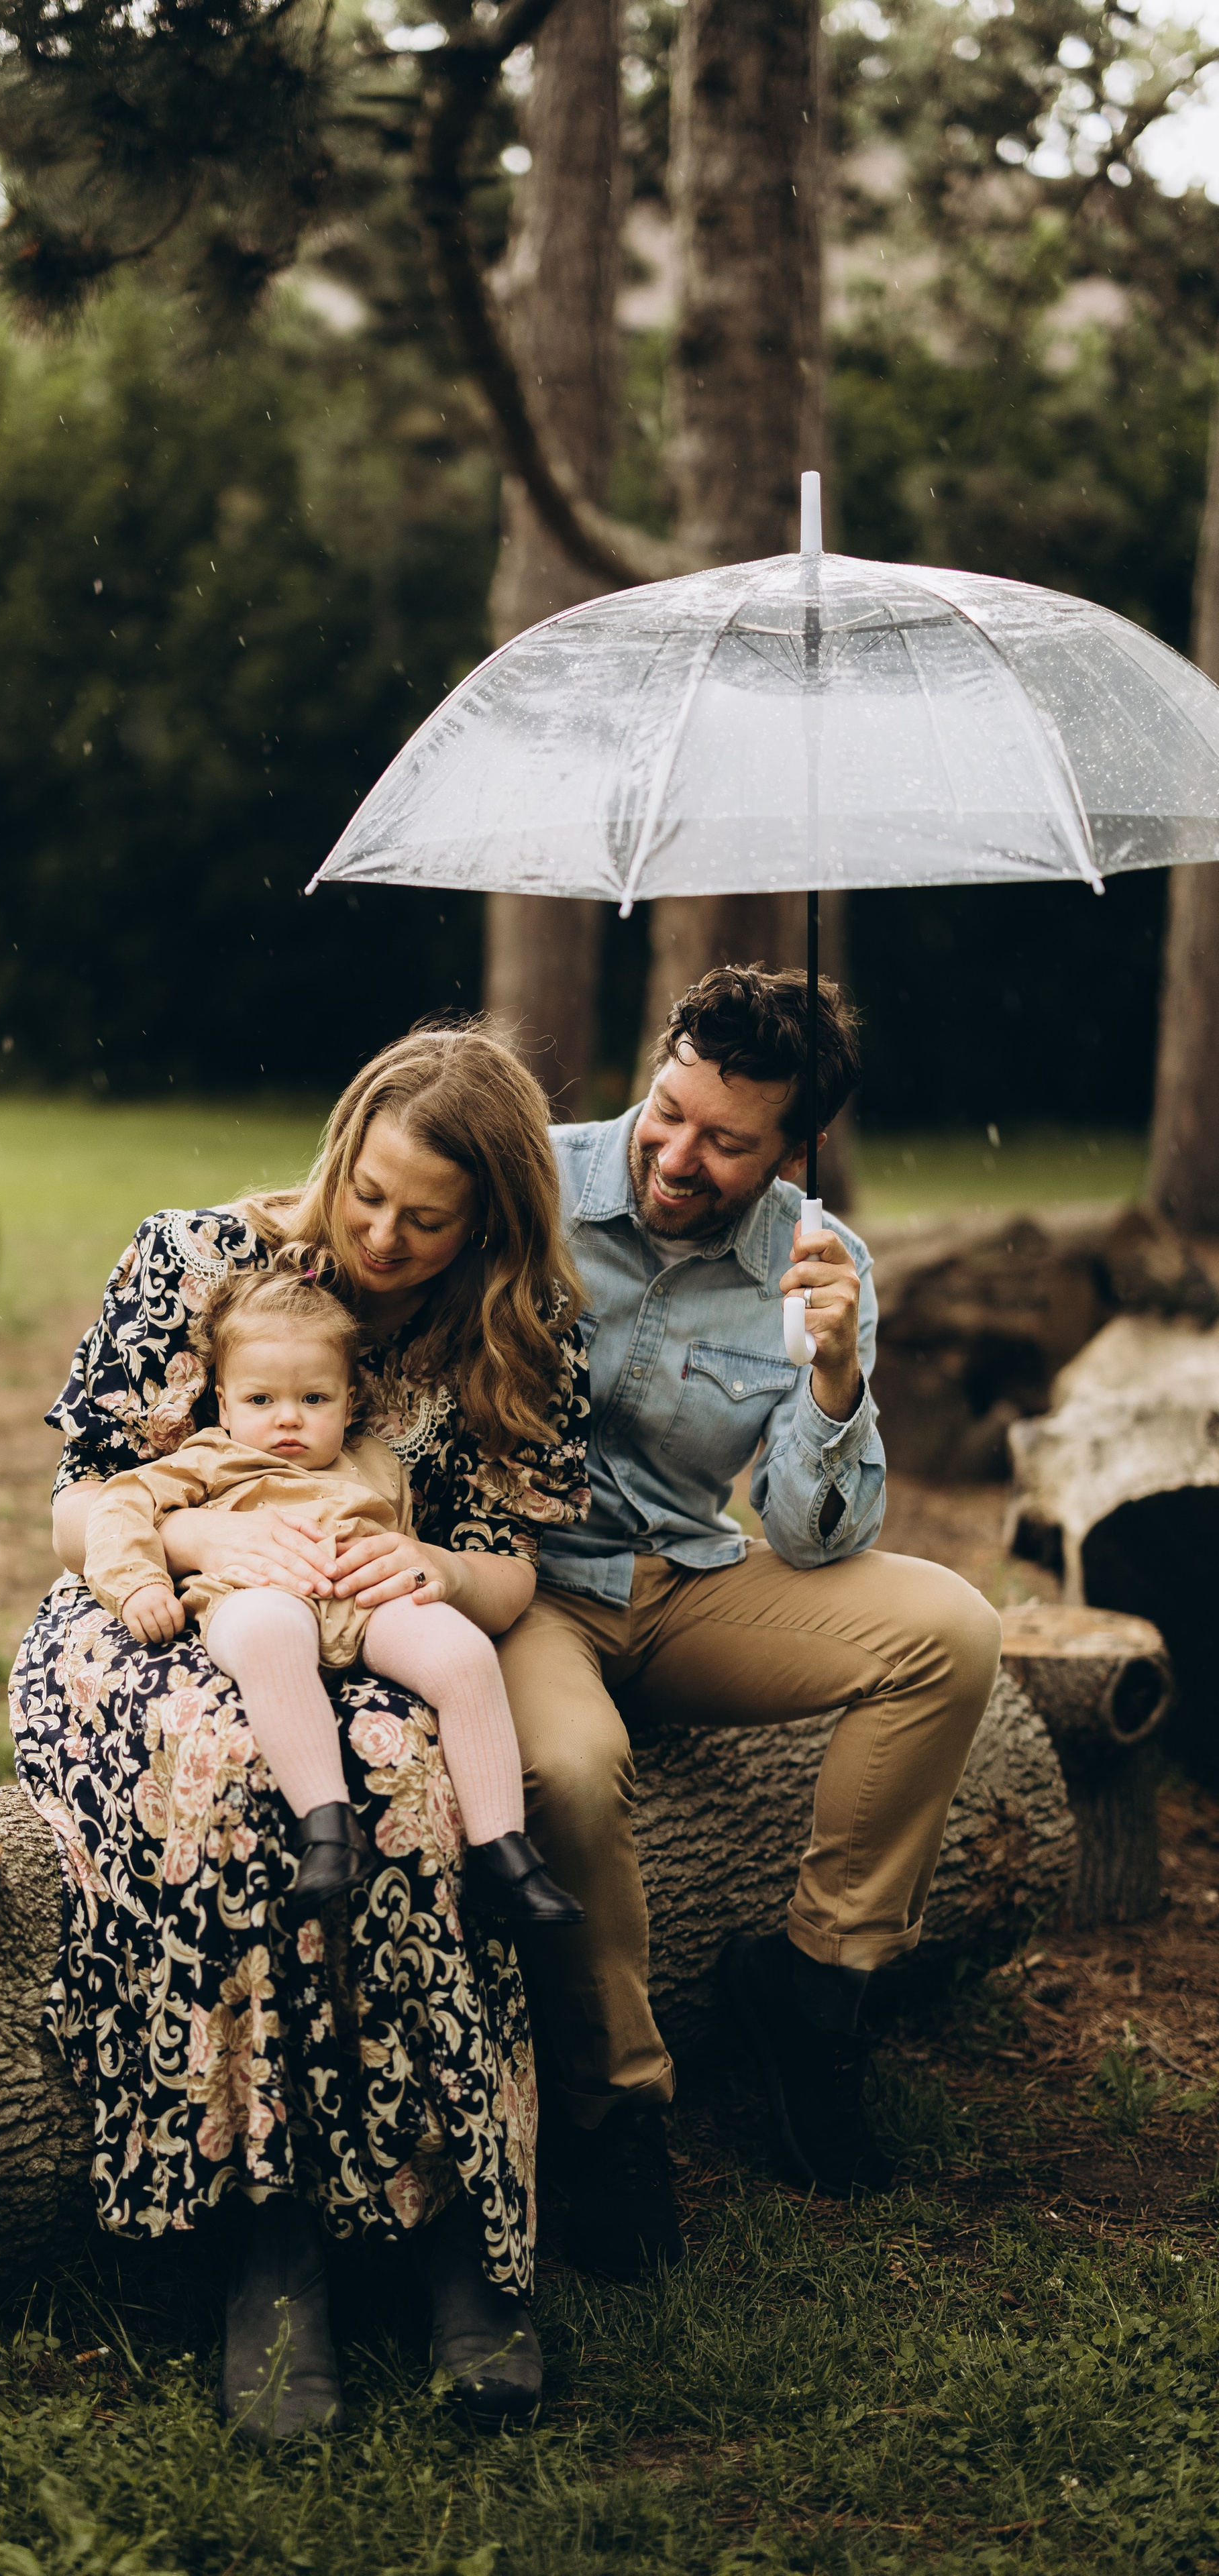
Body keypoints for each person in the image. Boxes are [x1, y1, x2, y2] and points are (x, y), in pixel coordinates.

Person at [9, 1027, 590, 2440]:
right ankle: (266, 2239)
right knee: (229, 1778)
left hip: (374, 1617)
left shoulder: (515, 1324)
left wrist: (444, 1575)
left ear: (489, 1223)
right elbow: (81, 1506)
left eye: (427, 1218)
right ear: (340, 1152)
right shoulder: (195, 1256)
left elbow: (518, 1562)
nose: (383, 1235)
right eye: (367, 1192)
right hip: (150, 1616)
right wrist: (208, 1531)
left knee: (410, 1777)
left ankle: (458, 2225)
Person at [498, 964, 1004, 2282]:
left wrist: (832, 1375)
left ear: (793, 1146)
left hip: (685, 1586)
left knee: (945, 1629)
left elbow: (811, 1540)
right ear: (656, 1066)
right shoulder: (526, 1179)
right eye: (666, 1110)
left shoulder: (819, 1264)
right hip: (522, 1589)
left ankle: (817, 1984)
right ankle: (615, 2110)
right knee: (565, 1767)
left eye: (726, 1141)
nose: (674, 1154)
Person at [83, 1268, 584, 1927]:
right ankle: (326, 1831)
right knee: (270, 1631)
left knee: (461, 1654)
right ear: (224, 1407)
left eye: (313, 1399)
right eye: (261, 1401)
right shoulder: (207, 1458)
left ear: (349, 1403)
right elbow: (118, 1507)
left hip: (363, 1597)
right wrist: (140, 1583)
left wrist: (419, 1574)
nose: (288, 1418)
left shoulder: (376, 1463)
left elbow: (401, 1544)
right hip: (254, 1595)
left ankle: (503, 1854)